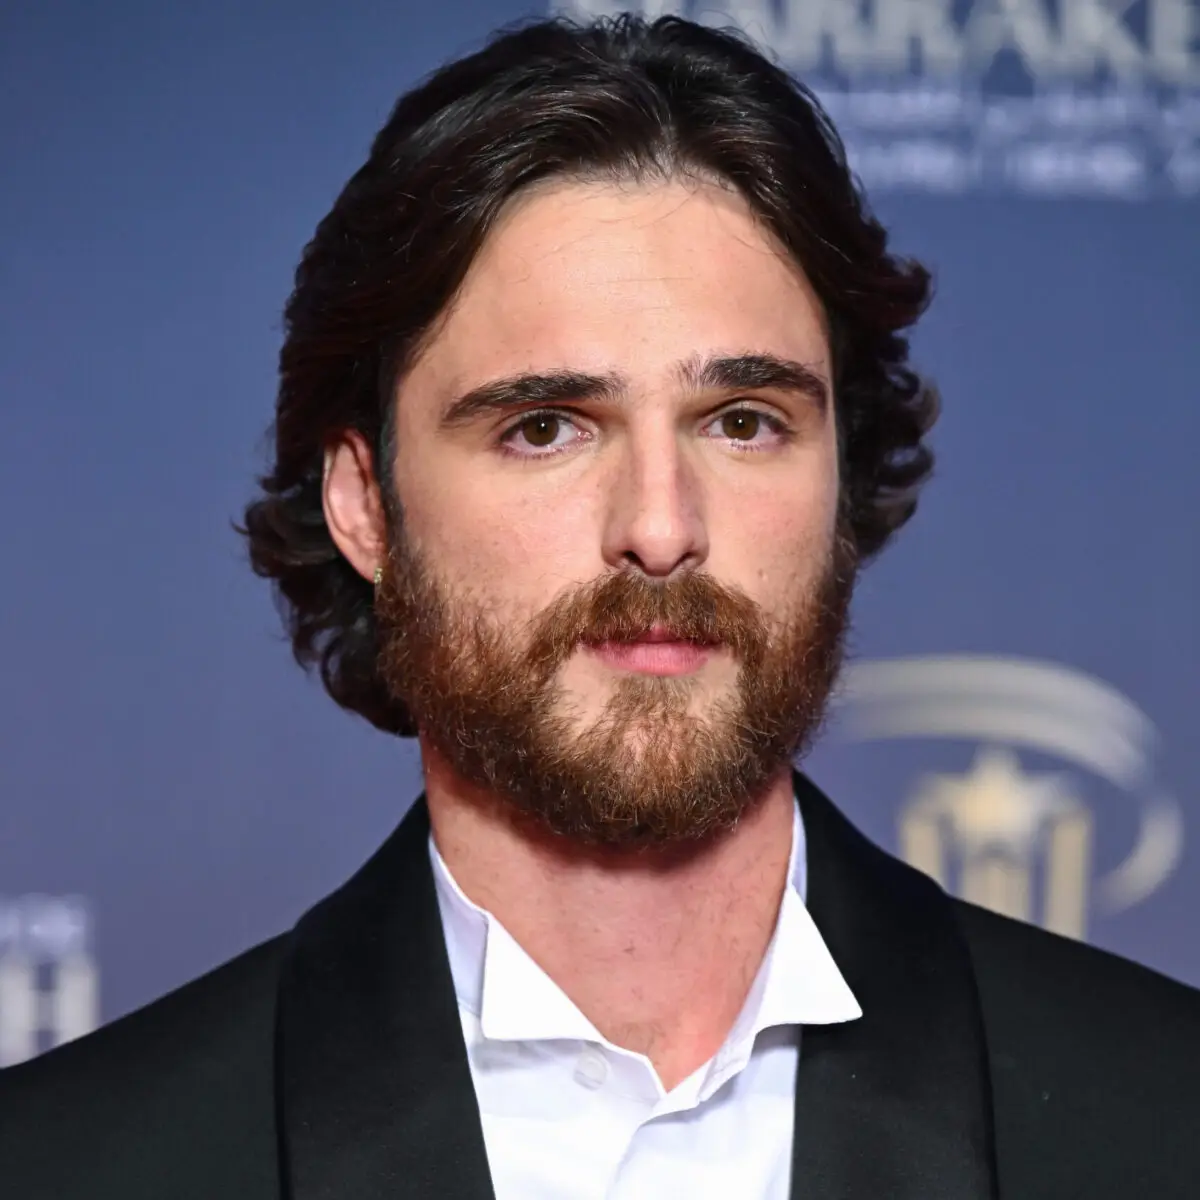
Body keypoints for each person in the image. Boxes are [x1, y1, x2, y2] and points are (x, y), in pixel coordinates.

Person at [3, 13, 1198, 1199]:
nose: (663, 527)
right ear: (366, 504)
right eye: (546, 429)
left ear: (840, 473)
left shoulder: (1161, 1115)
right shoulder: (74, 1162)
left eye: (743, 422)